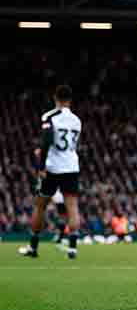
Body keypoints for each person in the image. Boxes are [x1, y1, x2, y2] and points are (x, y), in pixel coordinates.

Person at [19, 85, 82, 260]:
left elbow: (47, 140)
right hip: (71, 167)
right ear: (70, 100)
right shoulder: (77, 120)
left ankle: (33, 246)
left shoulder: (49, 116)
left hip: (54, 167)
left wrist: (41, 166)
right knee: (72, 207)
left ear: (55, 98)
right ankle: (72, 249)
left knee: (40, 205)